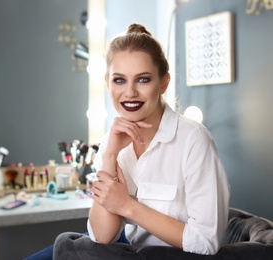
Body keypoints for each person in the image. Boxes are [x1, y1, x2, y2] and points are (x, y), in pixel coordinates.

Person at [27, 23, 230, 259]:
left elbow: (206, 241)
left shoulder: (193, 140)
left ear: (163, 83)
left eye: (143, 80)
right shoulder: (111, 141)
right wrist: (110, 157)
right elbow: (102, 236)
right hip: (126, 249)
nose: (130, 92)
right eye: (119, 80)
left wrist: (126, 206)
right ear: (107, 82)